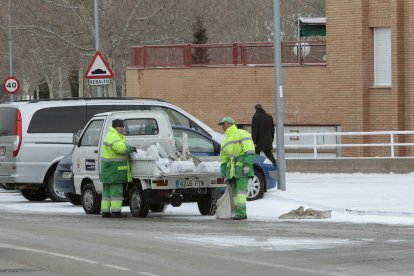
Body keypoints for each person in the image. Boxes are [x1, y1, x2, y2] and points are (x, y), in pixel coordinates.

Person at [218, 117, 255, 220]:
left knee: (241, 191)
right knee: (235, 193)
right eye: (221, 124)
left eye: (224, 124)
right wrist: (224, 173)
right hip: (232, 170)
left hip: (241, 167)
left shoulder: (241, 133)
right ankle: (240, 212)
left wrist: (247, 165)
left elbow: (250, 150)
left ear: (230, 123)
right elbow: (223, 158)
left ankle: (241, 213)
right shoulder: (225, 140)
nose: (222, 126)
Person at [100, 119, 136, 218]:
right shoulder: (113, 136)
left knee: (107, 193)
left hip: (108, 170)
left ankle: (105, 211)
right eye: (121, 127)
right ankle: (116, 212)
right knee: (116, 192)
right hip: (114, 170)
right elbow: (121, 149)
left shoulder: (109, 135)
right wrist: (131, 148)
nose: (122, 128)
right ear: (116, 127)